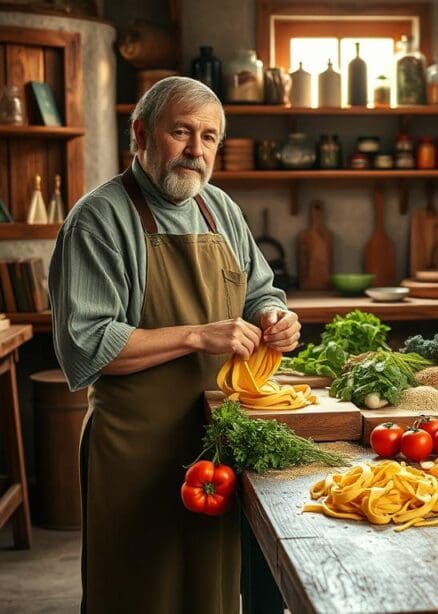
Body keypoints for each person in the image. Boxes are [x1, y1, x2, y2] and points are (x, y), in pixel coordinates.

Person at [48, 76, 300, 614]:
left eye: (209, 137)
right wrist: (196, 334)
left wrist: (275, 317)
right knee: (139, 591)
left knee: (211, 591)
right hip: (136, 451)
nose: (195, 151)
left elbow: (261, 289)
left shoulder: (220, 209)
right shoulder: (99, 219)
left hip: (215, 445)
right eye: (181, 132)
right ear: (140, 133)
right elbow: (86, 346)